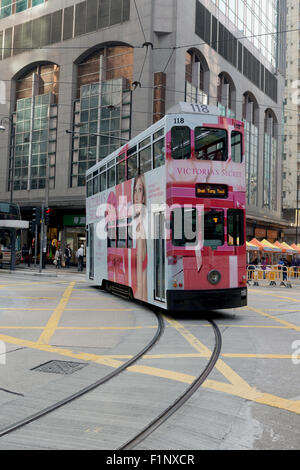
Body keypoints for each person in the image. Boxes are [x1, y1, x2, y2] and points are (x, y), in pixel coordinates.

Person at [132, 175, 148, 302]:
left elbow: (141, 258)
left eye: (140, 190)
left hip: (143, 286)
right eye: (135, 190)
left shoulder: (140, 222)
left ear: (144, 197)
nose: (136, 195)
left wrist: (139, 289)